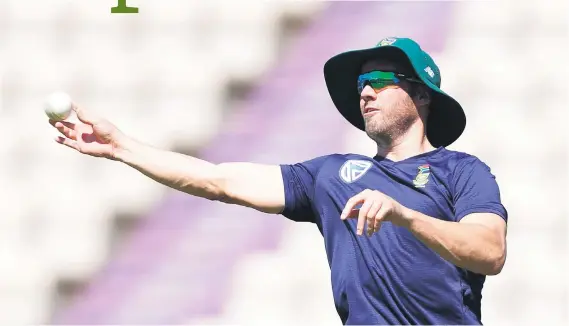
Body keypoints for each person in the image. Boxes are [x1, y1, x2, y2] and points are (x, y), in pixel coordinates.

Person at [49, 37, 508, 325]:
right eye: (361, 82)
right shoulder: (331, 174)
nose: (365, 90)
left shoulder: (463, 172)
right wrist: (123, 147)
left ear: (422, 95)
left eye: (382, 79)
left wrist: (406, 216)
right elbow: (217, 180)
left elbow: (490, 252)